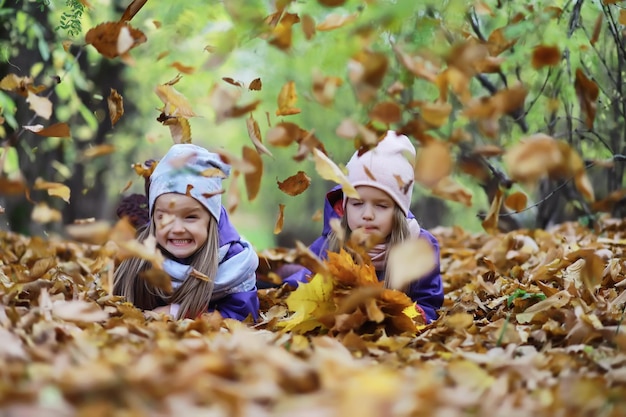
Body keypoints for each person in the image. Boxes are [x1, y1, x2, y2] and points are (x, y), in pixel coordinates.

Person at [284, 130, 444, 323]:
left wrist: (401, 314)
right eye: (357, 203)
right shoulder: (331, 243)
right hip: (344, 334)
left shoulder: (420, 247)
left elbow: (429, 304)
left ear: (398, 211)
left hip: (393, 338)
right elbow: (302, 284)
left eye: (381, 205)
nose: (367, 215)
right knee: (283, 273)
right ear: (345, 206)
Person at [113, 143, 260, 321]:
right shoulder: (139, 258)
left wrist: (178, 312)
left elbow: (242, 314)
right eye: (164, 217)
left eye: (190, 217)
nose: (177, 229)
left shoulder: (234, 263)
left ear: (211, 219)